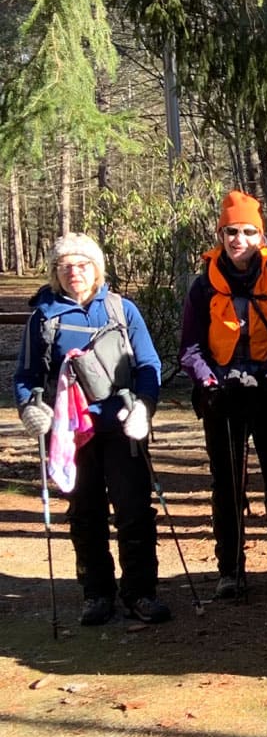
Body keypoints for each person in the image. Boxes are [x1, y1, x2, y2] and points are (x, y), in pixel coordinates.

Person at [14, 233, 169, 625]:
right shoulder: (43, 318)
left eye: (82, 265)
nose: (74, 272)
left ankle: (140, 592)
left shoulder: (121, 310)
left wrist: (144, 409)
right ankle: (97, 593)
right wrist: (31, 408)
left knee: (134, 511)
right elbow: (27, 375)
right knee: (85, 514)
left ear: (96, 269)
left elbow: (149, 365)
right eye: (65, 266)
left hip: (122, 427)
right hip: (69, 433)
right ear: (55, 273)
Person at [179, 190, 267, 599]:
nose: (239, 239)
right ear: (220, 235)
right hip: (221, 396)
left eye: (248, 231)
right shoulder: (203, 287)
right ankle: (230, 571)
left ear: (261, 236)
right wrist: (209, 380)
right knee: (227, 484)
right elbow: (190, 348)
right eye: (231, 231)